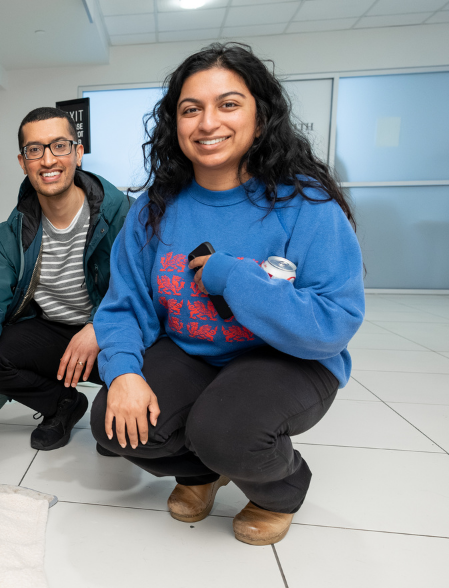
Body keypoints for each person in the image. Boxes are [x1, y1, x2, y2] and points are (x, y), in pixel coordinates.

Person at [91, 43, 364, 545]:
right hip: (195, 351)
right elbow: (125, 305)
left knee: (227, 431)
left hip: (289, 357)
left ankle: (280, 489)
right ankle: (201, 473)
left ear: (260, 118)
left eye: (229, 104)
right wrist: (125, 372)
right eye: (190, 109)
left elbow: (334, 321)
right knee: (114, 422)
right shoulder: (153, 209)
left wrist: (236, 278)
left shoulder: (306, 204)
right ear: (175, 124)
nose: (208, 122)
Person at [0, 107, 130, 451]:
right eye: (35, 150)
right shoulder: (13, 233)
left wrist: (99, 326)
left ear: (78, 153)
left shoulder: (123, 215)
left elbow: (142, 290)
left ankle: (110, 399)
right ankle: (62, 403)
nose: (48, 160)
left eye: (59, 146)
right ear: (23, 162)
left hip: (112, 332)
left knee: (112, 433)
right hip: (53, 334)